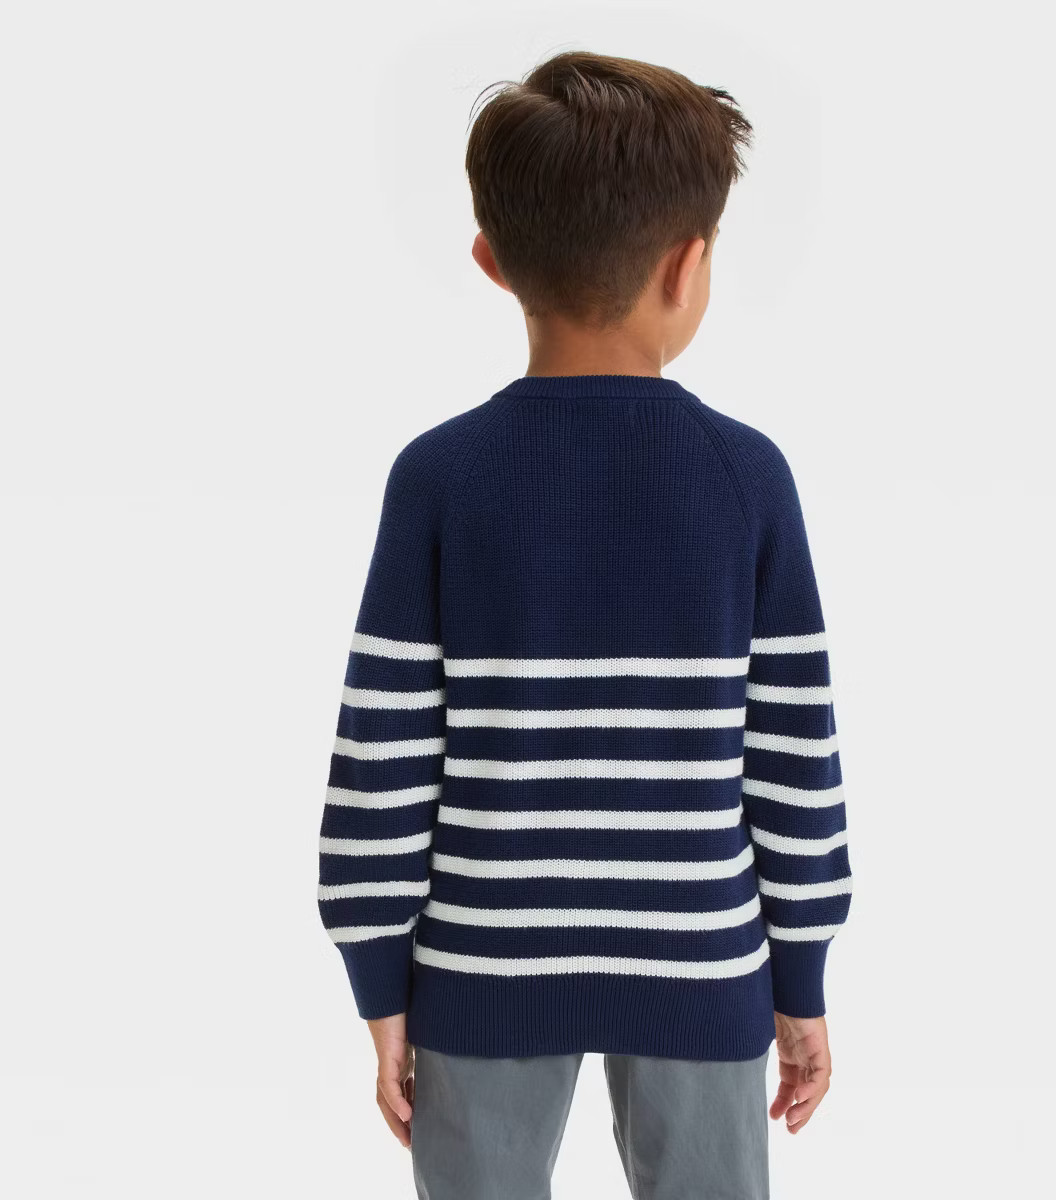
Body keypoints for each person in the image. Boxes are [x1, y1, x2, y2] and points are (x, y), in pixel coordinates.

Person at [316, 48, 854, 1200]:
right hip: (704, 961)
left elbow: (382, 760)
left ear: (491, 260)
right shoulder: (747, 479)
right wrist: (800, 979)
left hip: (479, 966)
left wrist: (381, 985)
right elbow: (793, 763)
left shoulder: (440, 479)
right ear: (689, 265)